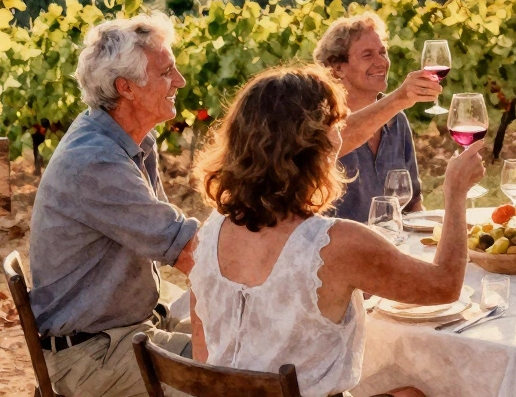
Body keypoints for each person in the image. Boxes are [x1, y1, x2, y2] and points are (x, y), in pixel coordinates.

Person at [188, 64, 485, 397]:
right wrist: (455, 193)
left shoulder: (208, 233)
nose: (341, 135)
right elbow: (444, 286)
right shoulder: (333, 243)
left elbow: (203, 353)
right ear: (315, 145)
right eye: (337, 124)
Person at [29, 13, 201, 397]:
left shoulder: (128, 139)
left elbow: (167, 236)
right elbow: (186, 251)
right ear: (127, 87)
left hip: (123, 328)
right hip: (94, 355)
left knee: (242, 338)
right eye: (166, 73)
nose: (180, 81)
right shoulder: (96, 160)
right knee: (237, 369)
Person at [313, 13, 441, 222]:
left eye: (383, 53)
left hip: (393, 240)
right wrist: (399, 98)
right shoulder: (319, 124)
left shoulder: (397, 121)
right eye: (368, 55)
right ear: (337, 68)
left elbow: (413, 203)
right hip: (336, 242)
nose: (382, 62)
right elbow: (340, 137)